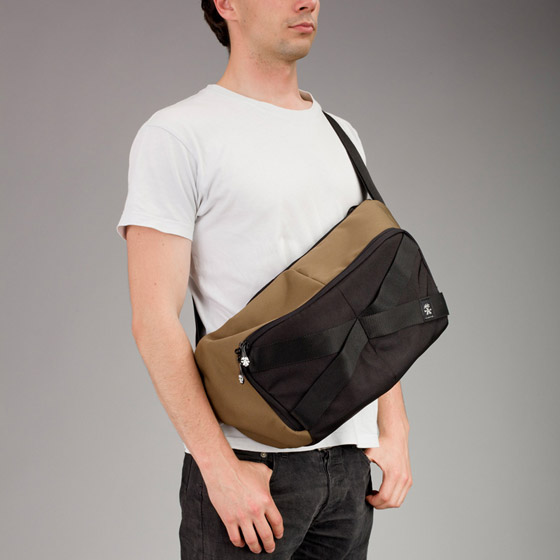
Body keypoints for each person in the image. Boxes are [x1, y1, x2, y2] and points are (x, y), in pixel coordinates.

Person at [116, 0, 412, 557]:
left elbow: (366, 296)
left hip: (349, 470)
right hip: (250, 466)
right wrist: (219, 469)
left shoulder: (341, 134)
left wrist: (393, 428)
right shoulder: (178, 134)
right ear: (226, 4)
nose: (308, 2)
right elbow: (153, 320)